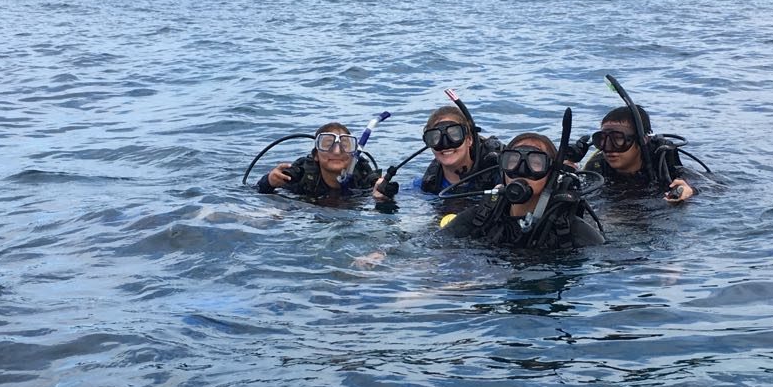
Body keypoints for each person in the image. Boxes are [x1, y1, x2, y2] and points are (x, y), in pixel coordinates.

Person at [440, 132, 604, 249]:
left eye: (536, 163)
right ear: (502, 169)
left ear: (552, 174)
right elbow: (436, 246)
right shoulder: (482, 216)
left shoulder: (570, 229)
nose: (521, 170)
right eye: (512, 161)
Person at [373, 105, 502, 201]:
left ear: (469, 140)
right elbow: (401, 194)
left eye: (454, 135)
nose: (445, 144)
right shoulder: (426, 184)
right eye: (435, 138)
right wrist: (382, 194)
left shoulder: (496, 175)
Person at [583, 105, 696, 202]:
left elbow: (699, 184)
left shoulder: (661, 162)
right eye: (603, 139)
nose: (608, 148)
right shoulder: (597, 166)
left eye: (618, 139)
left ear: (643, 140)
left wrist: (690, 190)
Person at [256, 122, 381, 198]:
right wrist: (269, 181)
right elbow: (257, 191)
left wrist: (383, 192)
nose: (337, 151)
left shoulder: (363, 177)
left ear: (353, 154)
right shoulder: (302, 175)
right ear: (315, 155)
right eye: (328, 145)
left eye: (344, 145)